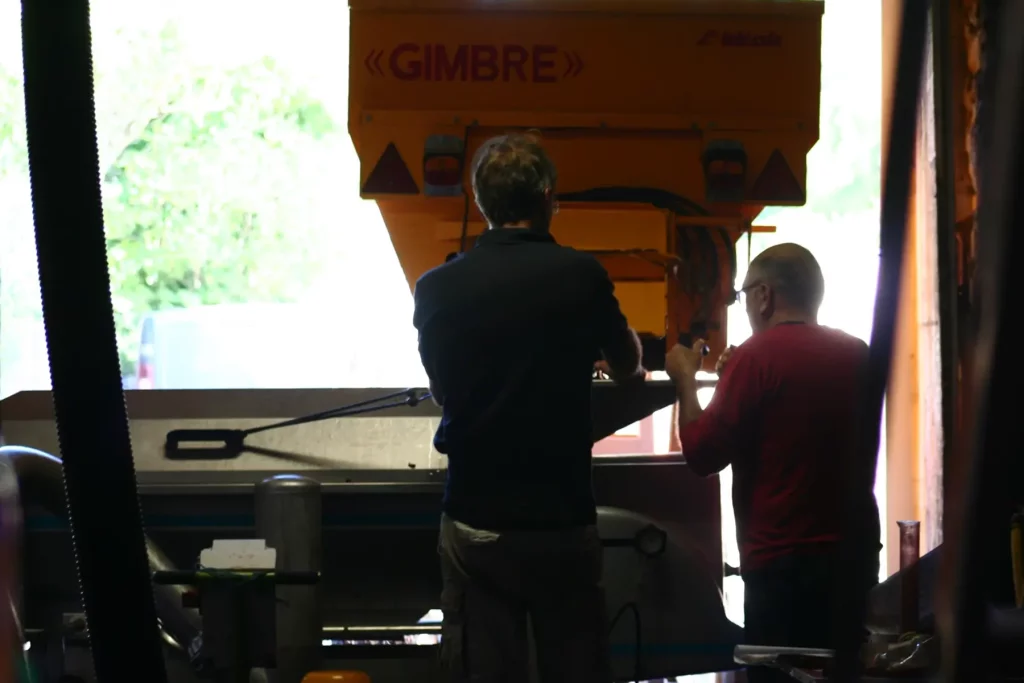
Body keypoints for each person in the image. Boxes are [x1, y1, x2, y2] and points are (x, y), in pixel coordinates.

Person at [412, 132, 644, 683]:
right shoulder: (582, 276)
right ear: (547, 198)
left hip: (475, 519)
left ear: (480, 203)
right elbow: (628, 364)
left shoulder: (436, 288)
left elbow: (444, 391)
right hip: (560, 519)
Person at [664, 243, 881, 682]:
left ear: (763, 295)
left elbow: (702, 454)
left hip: (783, 568)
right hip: (854, 560)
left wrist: (686, 381)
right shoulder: (859, 354)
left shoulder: (755, 359)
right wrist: (734, 378)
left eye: (743, 295)